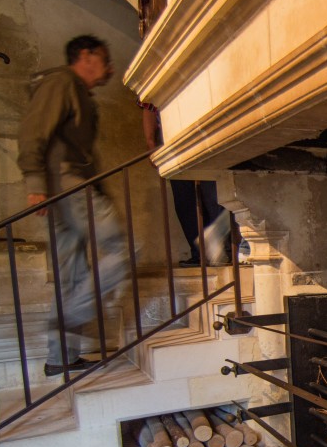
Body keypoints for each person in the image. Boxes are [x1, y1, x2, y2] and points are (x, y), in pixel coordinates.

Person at [18, 34, 128, 377]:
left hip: (64, 188)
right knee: (122, 250)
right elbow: (34, 130)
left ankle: (61, 358)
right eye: (105, 60)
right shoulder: (61, 82)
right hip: (65, 185)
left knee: (71, 274)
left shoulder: (77, 93)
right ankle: (65, 321)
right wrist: (35, 182)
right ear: (86, 56)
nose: (109, 70)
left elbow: (83, 155)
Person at [140, 101, 228, 266]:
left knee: (215, 197)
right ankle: (200, 254)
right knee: (185, 203)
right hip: (174, 146)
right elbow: (148, 106)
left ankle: (226, 251)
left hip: (204, 139)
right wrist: (150, 142)